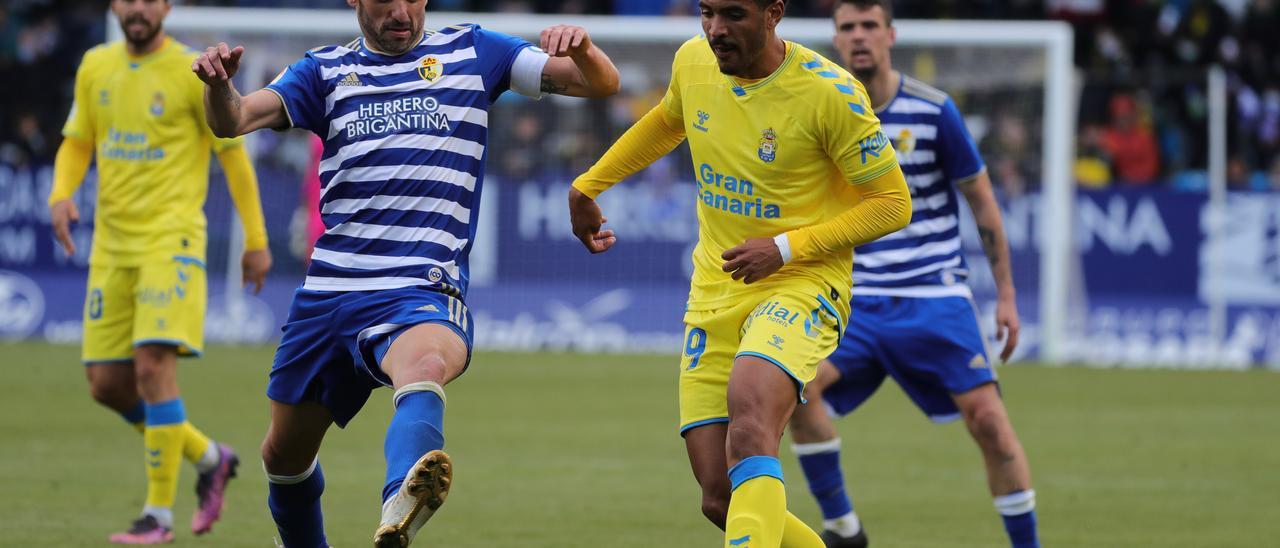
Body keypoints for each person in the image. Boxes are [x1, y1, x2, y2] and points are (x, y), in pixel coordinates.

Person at [191, 0, 619, 545]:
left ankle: (402, 500)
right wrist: (218, 85)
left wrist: (581, 47)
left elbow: (600, 84)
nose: (400, 11)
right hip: (331, 289)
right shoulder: (322, 70)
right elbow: (233, 119)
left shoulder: (474, 50)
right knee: (283, 455)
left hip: (418, 283)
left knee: (424, 362)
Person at [567, 1, 910, 547]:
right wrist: (589, 184)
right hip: (717, 289)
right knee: (719, 497)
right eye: (707, 13)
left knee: (751, 422)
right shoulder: (693, 60)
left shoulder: (831, 92)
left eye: (733, 15)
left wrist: (786, 246)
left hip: (803, 281)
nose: (715, 30)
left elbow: (893, 203)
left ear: (773, 13)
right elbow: (666, 121)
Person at [786, 2, 1039, 547]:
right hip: (853, 295)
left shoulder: (934, 110)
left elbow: (984, 203)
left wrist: (1007, 296)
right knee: (791, 394)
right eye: (847, 28)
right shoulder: (822, 110)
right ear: (835, 39)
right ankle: (845, 529)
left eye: (869, 26)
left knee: (991, 425)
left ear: (890, 35)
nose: (859, 38)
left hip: (933, 294)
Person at [47, 0, 271, 543]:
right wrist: (61, 193)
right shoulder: (95, 65)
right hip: (112, 247)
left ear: (168, 5)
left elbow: (233, 154)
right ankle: (209, 457)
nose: (139, 7)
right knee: (106, 385)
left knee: (151, 369)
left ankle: (157, 517)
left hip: (171, 242)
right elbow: (79, 140)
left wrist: (256, 239)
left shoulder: (190, 69)